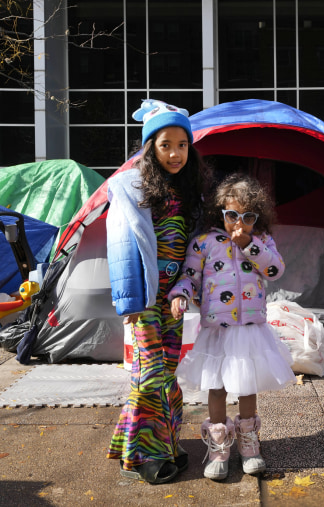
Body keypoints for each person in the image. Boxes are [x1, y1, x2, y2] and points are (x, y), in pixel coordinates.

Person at [106, 99, 210, 484]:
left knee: (166, 372)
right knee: (151, 374)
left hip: (173, 298)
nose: (175, 153)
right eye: (166, 144)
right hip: (145, 298)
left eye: (182, 145)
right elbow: (119, 248)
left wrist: (188, 288)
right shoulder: (131, 189)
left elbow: (195, 247)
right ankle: (146, 455)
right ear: (151, 147)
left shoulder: (190, 192)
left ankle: (150, 443)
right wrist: (130, 300)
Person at [169, 173, 295, 480]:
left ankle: (249, 443)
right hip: (217, 328)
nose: (239, 222)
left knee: (246, 384)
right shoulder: (205, 243)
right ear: (219, 212)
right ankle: (219, 445)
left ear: (257, 216)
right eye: (231, 215)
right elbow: (189, 275)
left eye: (247, 216)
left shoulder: (261, 240)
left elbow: (276, 269)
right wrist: (180, 294)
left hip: (250, 328)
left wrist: (250, 244)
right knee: (217, 386)